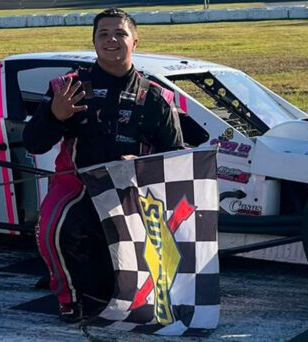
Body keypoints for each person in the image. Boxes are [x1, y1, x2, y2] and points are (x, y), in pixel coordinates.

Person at [21, 8, 185, 323]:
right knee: (54, 225)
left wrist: (141, 164)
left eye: (120, 33)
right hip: (77, 183)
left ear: (135, 41)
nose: (111, 40)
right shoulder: (67, 86)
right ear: (94, 43)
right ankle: (71, 297)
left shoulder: (156, 96)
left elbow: (175, 157)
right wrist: (54, 116)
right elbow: (33, 143)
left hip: (134, 188)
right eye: (103, 34)